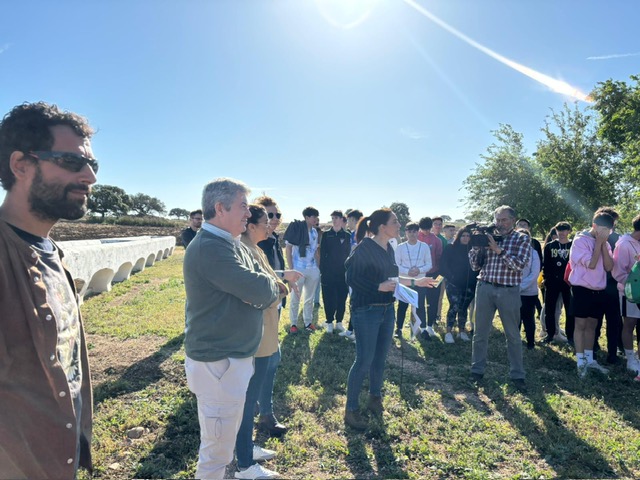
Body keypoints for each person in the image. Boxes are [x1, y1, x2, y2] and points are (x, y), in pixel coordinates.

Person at [0, 102, 97, 478]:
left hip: (56, 456)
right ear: (21, 165)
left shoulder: (52, 251)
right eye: (72, 163)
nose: (89, 177)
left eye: (92, 165)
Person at [183, 178, 281, 479]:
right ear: (220, 208)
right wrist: (270, 284)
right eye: (242, 206)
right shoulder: (212, 248)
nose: (248, 214)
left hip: (228, 359)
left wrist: (263, 283)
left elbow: (257, 284)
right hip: (219, 363)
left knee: (222, 444)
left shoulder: (227, 243)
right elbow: (263, 290)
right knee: (216, 454)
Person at [344, 209, 436, 431]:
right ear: (382, 227)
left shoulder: (389, 248)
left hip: (387, 310)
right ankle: (351, 410)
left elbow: (393, 278)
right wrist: (377, 286)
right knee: (364, 359)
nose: (399, 224)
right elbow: (351, 276)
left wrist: (417, 283)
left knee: (380, 357)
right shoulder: (364, 248)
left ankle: (375, 398)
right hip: (366, 310)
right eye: (395, 222)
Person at [235, 205, 296, 480]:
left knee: (252, 397)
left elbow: (271, 282)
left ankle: (246, 448)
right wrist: (281, 287)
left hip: (267, 331)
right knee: (248, 401)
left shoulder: (257, 249)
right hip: (256, 335)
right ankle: (245, 464)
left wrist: (280, 282)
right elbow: (262, 290)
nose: (269, 226)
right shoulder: (244, 251)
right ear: (251, 226)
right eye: (264, 222)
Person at [254, 195, 302, 437]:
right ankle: (263, 413)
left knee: (268, 360)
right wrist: (284, 275)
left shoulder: (272, 240)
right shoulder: (253, 243)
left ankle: (257, 407)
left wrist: (285, 279)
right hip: (260, 307)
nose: (272, 220)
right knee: (268, 360)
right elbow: (258, 274)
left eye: (276, 215)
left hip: (275, 304)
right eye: (268, 215)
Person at [469, 206, 530, 391]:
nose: (500, 223)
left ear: (513, 220)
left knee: (512, 335)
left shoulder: (521, 238)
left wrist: (498, 250)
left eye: (504, 220)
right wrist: (477, 247)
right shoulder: (488, 237)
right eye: (497, 219)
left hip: (508, 290)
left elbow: (519, 265)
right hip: (485, 287)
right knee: (480, 333)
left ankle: (517, 374)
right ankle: (477, 370)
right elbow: (474, 266)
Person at [568, 211, 615, 378]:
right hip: (582, 289)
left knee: (592, 326)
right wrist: (598, 243)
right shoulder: (580, 241)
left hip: (599, 289)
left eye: (609, 231)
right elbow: (592, 264)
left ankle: (590, 359)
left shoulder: (606, 244)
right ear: (594, 226)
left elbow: (609, 267)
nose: (606, 233)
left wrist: (603, 244)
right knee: (580, 325)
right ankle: (580, 361)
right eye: (603, 229)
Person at [283, 206, 321, 333]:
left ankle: (308, 322)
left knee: (309, 298)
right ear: (306, 217)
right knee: (295, 297)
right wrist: (291, 269)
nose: (316, 218)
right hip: (298, 268)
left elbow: (315, 251)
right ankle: (293, 324)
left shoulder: (315, 232)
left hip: (312, 269)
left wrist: (318, 268)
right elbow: (288, 249)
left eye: (316, 216)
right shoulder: (297, 230)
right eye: (313, 216)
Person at [612, 214, 640, 375]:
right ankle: (630, 358)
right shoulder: (623, 244)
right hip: (629, 293)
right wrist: (632, 285)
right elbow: (618, 272)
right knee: (629, 324)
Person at [394, 222, 431, 338]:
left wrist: (419, 270)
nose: (412, 234)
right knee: (402, 306)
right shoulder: (400, 247)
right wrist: (407, 271)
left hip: (420, 281)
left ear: (418, 232)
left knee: (420, 305)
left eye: (414, 231)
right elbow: (396, 265)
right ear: (406, 233)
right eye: (409, 231)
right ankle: (398, 328)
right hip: (405, 281)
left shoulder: (424, 246)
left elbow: (429, 264)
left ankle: (423, 329)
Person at [440, 227, 476, 343]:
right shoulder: (451, 248)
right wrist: (451, 277)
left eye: (468, 236)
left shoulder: (473, 250)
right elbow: (443, 265)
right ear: (458, 236)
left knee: (464, 307)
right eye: (463, 236)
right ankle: (449, 332)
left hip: (469, 284)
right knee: (454, 306)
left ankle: (462, 331)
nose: (465, 238)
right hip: (453, 284)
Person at [320, 210, 351, 333]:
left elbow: (349, 254)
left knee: (341, 298)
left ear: (342, 219)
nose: (334, 220)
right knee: (328, 298)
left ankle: (339, 321)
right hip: (328, 273)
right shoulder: (326, 235)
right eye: (332, 218)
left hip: (343, 273)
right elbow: (322, 254)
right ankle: (329, 321)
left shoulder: (347, 235)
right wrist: (323, 271)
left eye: (337, 218)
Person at [541, 222, 573, 344]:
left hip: (569, 283)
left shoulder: (573, 245)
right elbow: (546, 265)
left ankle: (570, 336)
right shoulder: (550, 246)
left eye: (564, 230)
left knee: (570, 310)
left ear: (569, 231)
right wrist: (546, 279)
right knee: (550, 309)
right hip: (552, 282)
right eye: (559, 230)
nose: (561, 233)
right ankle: (550, 334)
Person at [418, 217, 444, 338]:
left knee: (433, 301)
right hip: (419, 275)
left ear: (431, 228)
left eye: (428, 229)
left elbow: (440, 258)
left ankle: (430, 325)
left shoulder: (437, 240)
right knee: (419, 301)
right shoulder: (416, 237)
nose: (426, 232)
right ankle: (420, 325)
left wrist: (439, 276)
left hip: (433, 274)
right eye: (423, 229)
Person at [517, 228, 540, 350]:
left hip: (529, 293)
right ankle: (515, 341)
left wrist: (520, 286)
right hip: (513, 291)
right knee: (515, 318)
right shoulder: (511, 252)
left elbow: (534, 273)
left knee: (528, 318)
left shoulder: (533, 253)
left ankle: (530, 342)